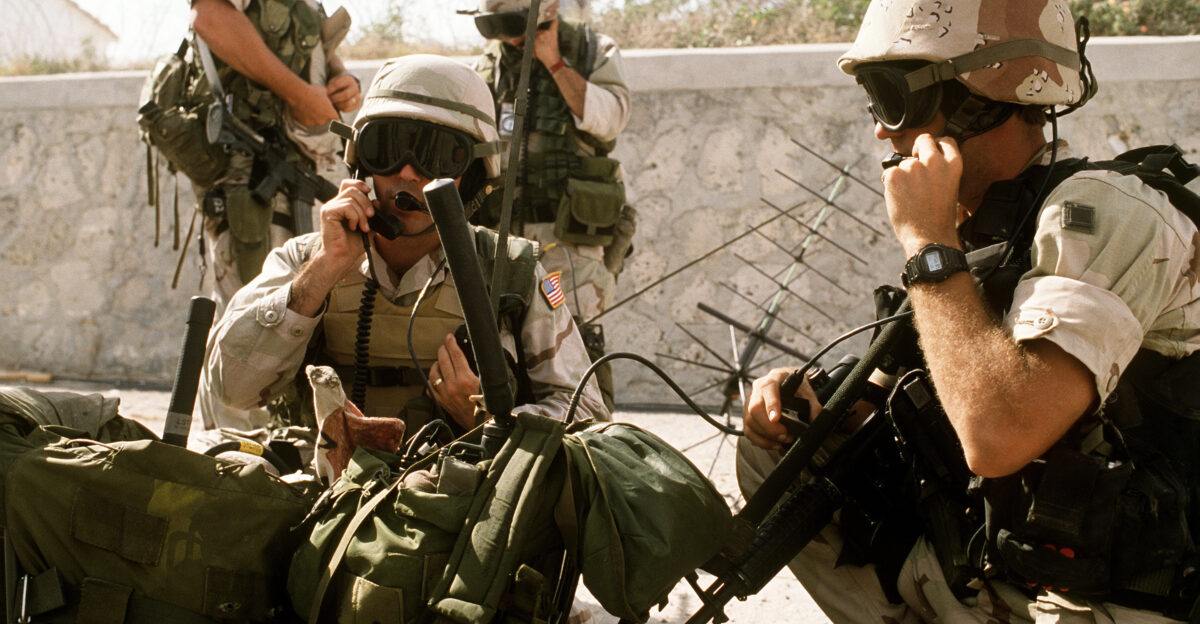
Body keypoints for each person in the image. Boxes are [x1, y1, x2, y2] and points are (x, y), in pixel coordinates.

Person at [737, 0, 1200, 622]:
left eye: (892, 95)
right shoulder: (987, 231)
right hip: (1011, 566)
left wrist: (927, 247)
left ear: (981, 95)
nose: (882, 128)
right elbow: (907, 386)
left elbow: (999, 435)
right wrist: (809, 404)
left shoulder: (1104, 212)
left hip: (1117, 594)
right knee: (784, 456)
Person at [200, 54, 608, 439]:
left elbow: (588, 415)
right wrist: (327, 267)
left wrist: (489, 420)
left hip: (462, 494)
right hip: (325, 487)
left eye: (439, 154)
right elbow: (230, 391)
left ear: (472, 174)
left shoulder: (511, 270)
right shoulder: (303, 261)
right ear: (360, 159)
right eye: (388, 147)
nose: (408, 171)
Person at [470, 0, 636, 410]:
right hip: (502, 236)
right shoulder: (486, 66)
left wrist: (554, 61)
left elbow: (611, 118)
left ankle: (594, 440)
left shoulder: (592, 49)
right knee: (503, 340)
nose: (509, 36)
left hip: (566, 244)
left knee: (573, 339)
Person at [190, 0, 361, 312]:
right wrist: (299, 95)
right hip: (252, 174)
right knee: (248, 316)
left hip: (292, 172)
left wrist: (340, 78)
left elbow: (305, 44)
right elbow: (209, 17)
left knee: (286, 314)